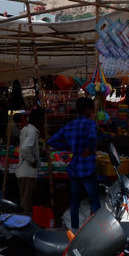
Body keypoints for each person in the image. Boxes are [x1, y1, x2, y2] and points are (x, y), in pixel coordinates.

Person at [48, 97, 100, 231]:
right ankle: (94, 230)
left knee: (74, 202)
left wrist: (68, 147)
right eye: (92, 109)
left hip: (74, 167)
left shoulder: (70, 125)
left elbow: (52, 141)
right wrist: (88, 150)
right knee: (94, 201)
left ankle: (75, 230)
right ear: (88, 109)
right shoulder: (90, 124)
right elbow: (93, 139)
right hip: (87, 167)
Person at [15, 108, 44, 215]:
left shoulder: (27, 129)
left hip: (23, 172)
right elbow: (25, 148)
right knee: (26, 204)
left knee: (25, 201)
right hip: (27, 172)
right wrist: (32, 161)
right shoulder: (32, 131)